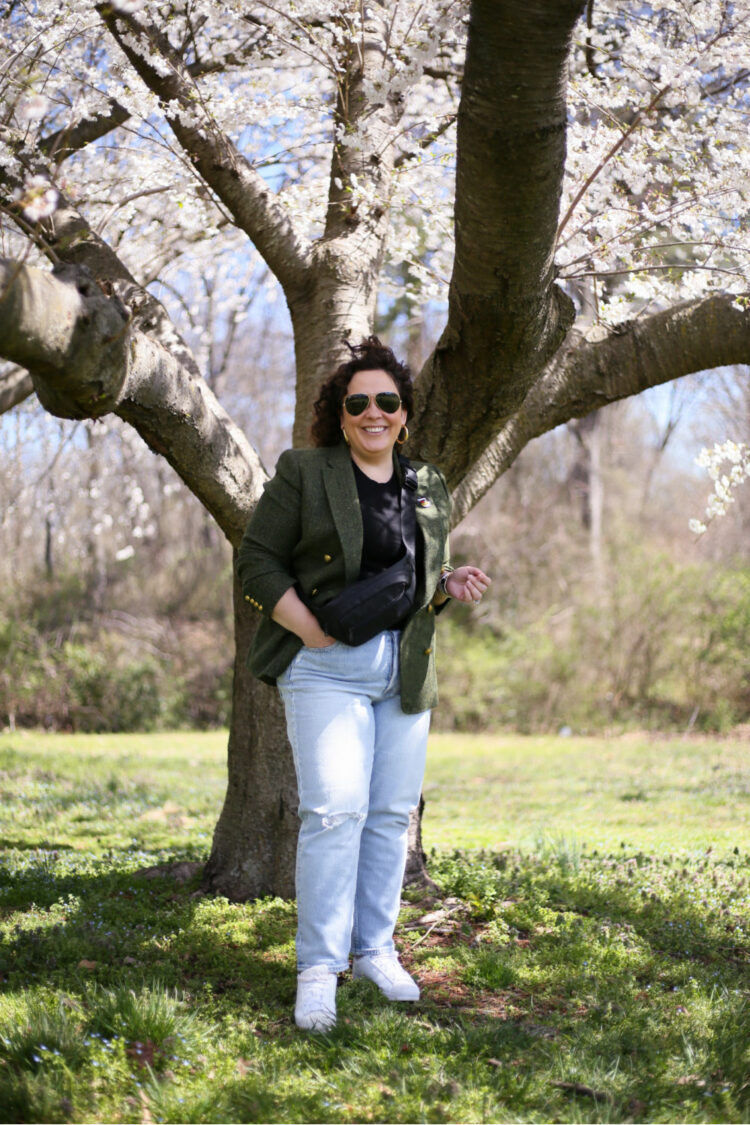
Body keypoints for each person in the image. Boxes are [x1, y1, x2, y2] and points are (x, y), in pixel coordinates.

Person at [237, 337, 490, 1031]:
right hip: (324, 668)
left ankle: (375, 947)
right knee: (333, 811)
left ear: (404, 414)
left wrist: (447, 585)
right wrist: (307, 628)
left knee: (388, 816)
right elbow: (257, 561)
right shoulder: (306, 471)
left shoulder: (427, 484)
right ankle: (318, 968)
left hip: (403, 670)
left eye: (387, 401)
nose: (374, 412)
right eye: (359, 402)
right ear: (340, 414)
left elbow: (407, 581)